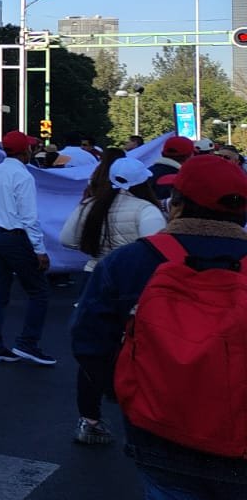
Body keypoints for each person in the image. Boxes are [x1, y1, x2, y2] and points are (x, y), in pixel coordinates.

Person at [69, 154, 247, 500]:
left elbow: (88, 342)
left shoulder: (131, 263)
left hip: (162, 434)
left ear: (177, 203)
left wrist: (129, 393)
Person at [59, 155, 165, 446]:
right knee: (139, 350)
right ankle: (142, 423)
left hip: (94, 277)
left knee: (93, 351)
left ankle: (89, 420)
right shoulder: (147, 210)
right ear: (144, 181)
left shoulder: (90, 205)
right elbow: (157, 250)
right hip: (136, 285)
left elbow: (67, 238)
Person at [0, 129, 55, 366]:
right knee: (38, 291)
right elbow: (29, 217)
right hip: (14, 237)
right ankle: (27, 343)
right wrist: (39, 249)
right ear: (26, 151)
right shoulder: (23, 176)